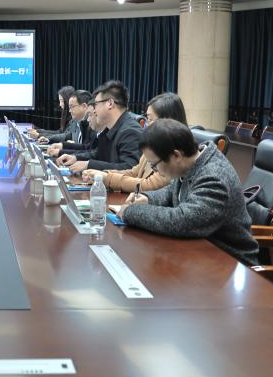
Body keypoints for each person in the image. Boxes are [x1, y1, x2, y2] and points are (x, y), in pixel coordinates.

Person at [118, 118, 259, 265]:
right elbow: (171, 191)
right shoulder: (192, 164)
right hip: (200, 253)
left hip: (230, 263)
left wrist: (131, 212)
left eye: (154, 165)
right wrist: (148, 199)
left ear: (176, 156)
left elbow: (183, 221)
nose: (155, 170)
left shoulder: (214, 177)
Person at [81, 92, 186, 193]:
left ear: (168, 120)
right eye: (147, 119)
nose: (147, 125)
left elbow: (149, 185)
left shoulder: (176, 152)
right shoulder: (154, 144)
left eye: (150, 119)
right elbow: (134, 172)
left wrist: (107, 178)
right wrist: (103, 175)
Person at [57, 81, 142, 174]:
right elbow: (98, 154)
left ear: (110, 104)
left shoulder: (130, 132)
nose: (94, 110)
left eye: (96, 103)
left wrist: (89, 165)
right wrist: (75, 158)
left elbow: (130, 168)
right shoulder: (110, 128)